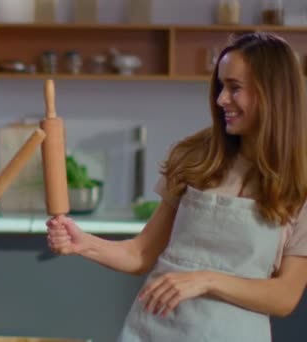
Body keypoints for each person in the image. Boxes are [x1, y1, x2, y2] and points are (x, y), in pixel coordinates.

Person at [47, 32, 307, 341]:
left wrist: (206, 280)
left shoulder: (299, 182)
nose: (222, 98)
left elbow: (284, 296)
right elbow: (141, 253)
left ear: (272, 94)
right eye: (221, 86)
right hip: (155, 330)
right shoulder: (195, 157)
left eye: (234, 88)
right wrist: (84, 243)